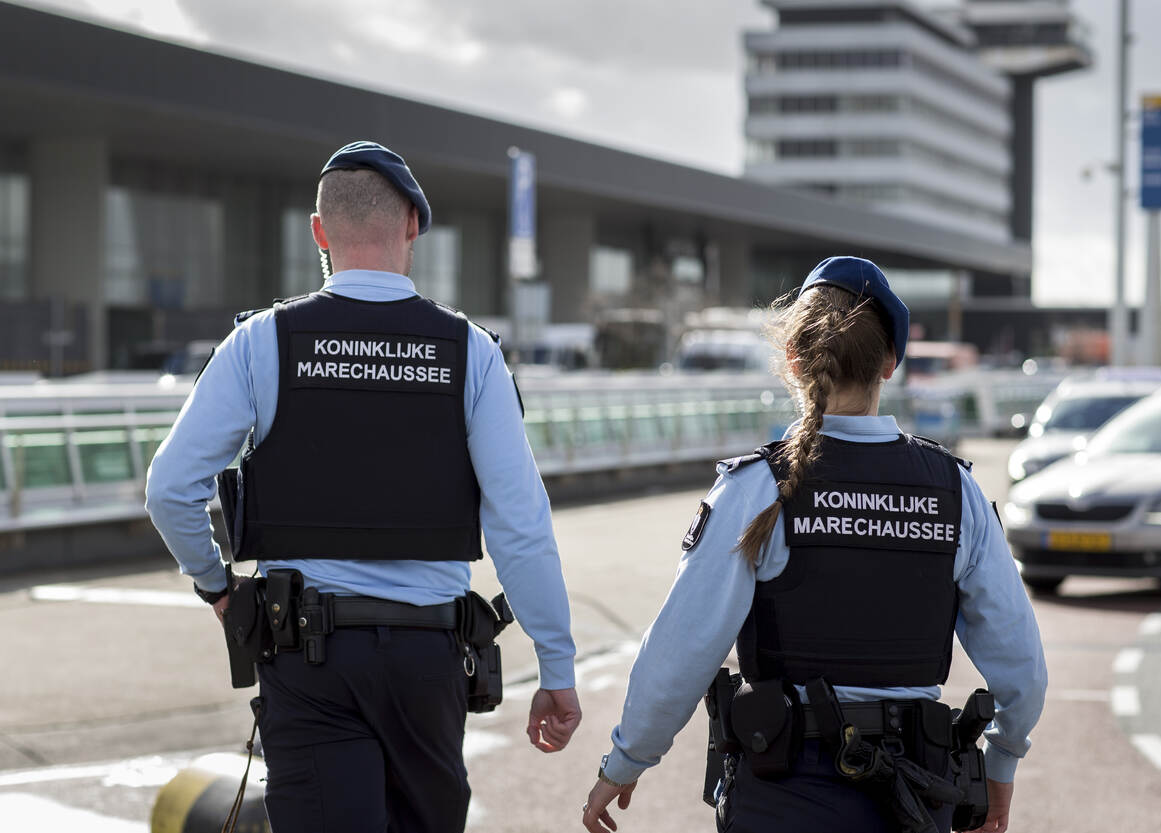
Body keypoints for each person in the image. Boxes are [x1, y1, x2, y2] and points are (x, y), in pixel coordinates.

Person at [146, 140, 581, 833]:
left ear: (319, 232)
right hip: (428, 661)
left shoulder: (261, 342)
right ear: (412, 226)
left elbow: (170, 488)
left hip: (306, 658)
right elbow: (521, 526)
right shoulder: (470, 352)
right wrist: (556, 667)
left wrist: (217, 588)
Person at [581, 256, 1046, 833]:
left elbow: (680, 650)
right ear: (890, 363)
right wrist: (1000, 764)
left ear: (795, 360)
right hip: (918, 798)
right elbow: (1022, 671)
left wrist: (627, 760)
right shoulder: (956, 492)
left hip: (783, 794)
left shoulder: (757, 489)